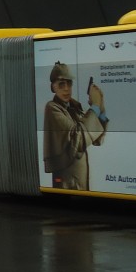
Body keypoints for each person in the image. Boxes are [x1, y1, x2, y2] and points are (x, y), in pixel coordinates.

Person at [42, 62, 107, 190]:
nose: (66, 88)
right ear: (53, 87)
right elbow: (79, 138)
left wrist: (100, 107)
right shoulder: (52, 108)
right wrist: (94, 107)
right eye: (61, 84)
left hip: (78, 184)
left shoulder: (74, 107)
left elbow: (97, 139)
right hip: (68, 184)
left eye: (69, 83)